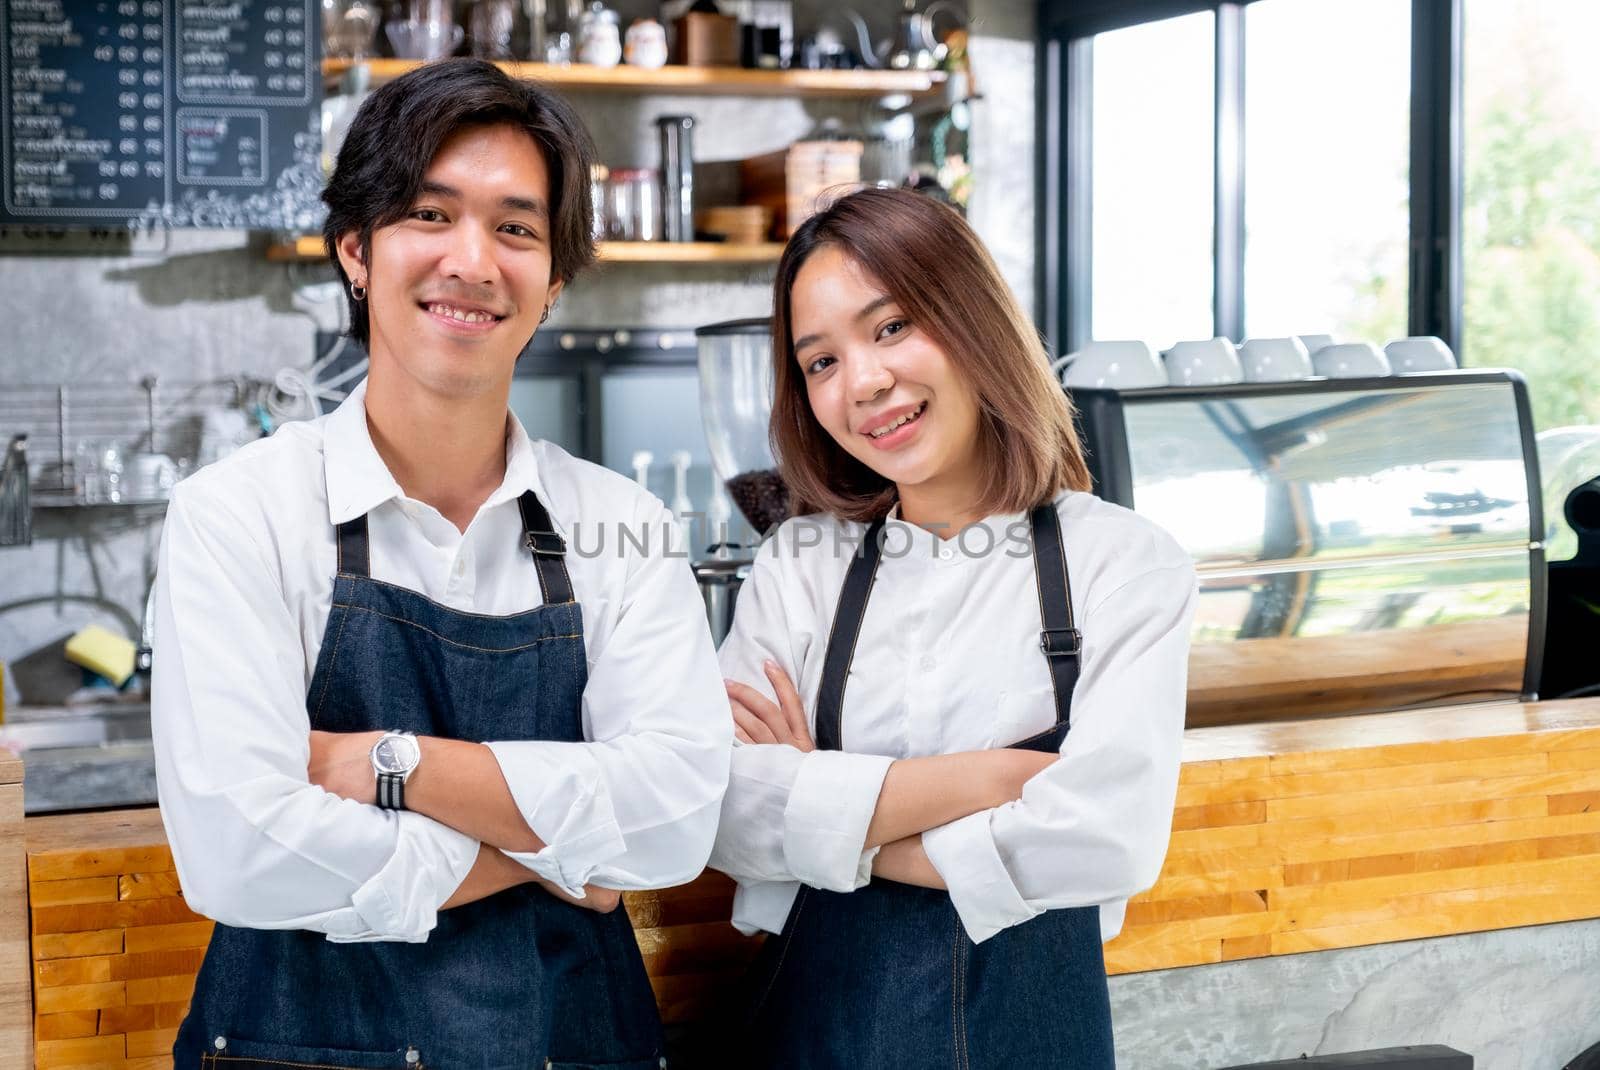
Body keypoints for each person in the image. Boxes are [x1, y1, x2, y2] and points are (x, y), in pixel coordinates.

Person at [151, 59, 730, 1069]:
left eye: (515, 227)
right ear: (356, 251)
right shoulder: (236, 513)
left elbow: (675, 817)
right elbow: (242, 851)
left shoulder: (622, 523)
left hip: (576, 1042)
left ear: (553, 282)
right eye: (430, 212)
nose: (473, 258)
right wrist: (544, 851)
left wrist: (388, 762)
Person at [708, 187, 1197, 1067]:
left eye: (891, 327)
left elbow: (1105, 835)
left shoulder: (1125, 565)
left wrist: (826, 803)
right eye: (820, 361)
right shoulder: (799, 567)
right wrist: (997, 779)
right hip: (822, 1035)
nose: (862, 381)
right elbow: (725, 810)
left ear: (973, 319)